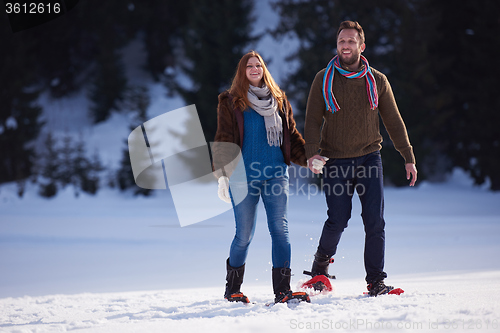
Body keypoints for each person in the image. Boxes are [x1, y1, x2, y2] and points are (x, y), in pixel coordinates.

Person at [304, 21, 417, 296]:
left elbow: (393, 120)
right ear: (337, 44)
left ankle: (376, 281)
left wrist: (408, 156)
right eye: (342, 41)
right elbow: (311, 120)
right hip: (335, 160)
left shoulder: (377, 80)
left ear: (361, 46)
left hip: (369, 157)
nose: (345, 45)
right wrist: (312, 153)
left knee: (375, 221)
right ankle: (319, 269)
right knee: (338, 219)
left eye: (351, 41)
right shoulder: (323, 78)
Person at [212, 50, 309, 304]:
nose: (255, 69)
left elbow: (293, 138)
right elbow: (223, 139)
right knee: (244, 234)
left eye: (258, 65)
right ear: (242, 72)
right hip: (243, 177)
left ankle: (283, 291)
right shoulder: (231, 102)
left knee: (281, 230)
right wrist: (222, 176)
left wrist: (310, 159)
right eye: (249, 66)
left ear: (264, 69)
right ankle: (232, 289)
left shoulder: (278, 100)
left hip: (276, 174)